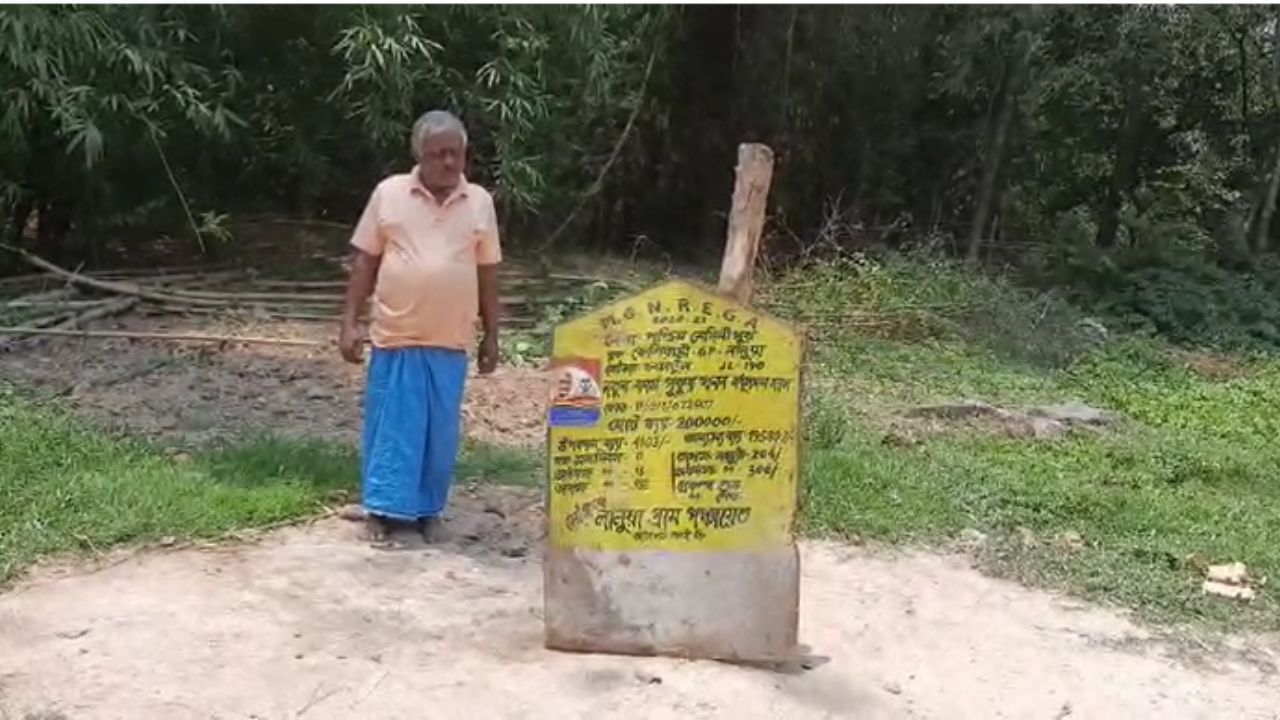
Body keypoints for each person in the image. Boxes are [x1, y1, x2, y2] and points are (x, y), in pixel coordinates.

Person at [339, 110, 502, 544]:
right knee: (392, 427)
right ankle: (381, 510)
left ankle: (427, 511)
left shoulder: (480, 202)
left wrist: (493, 336)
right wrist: (349, 321)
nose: (449, 163)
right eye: (439, 154)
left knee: (437, 433)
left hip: (449, 341)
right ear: (420, 156)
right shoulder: (389, 194)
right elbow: (365, 262)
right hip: (395, 336)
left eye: (457, 154)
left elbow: (488, 273)